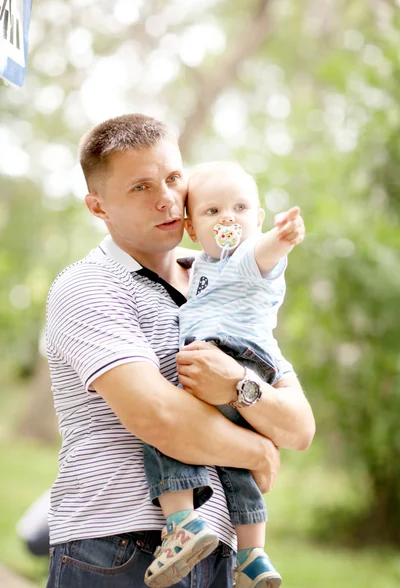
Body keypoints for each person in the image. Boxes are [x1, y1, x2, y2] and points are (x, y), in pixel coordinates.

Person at [45, 113, 315, 588]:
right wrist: (257, 450)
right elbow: (158, 417)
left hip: (217, 552)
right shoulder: (88, 285)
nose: (167, 198)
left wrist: (236, 385)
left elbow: (298, 426)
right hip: (117, 545)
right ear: (98, 206)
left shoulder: (225, 289)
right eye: (141, 188)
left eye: (172, 178)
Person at [143, 162, 304, 588]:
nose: (228, 217)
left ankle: (181, 521)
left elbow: (263, 253)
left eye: (240, 207)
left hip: (229, 355)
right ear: (193, 229)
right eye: (212, 211)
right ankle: (252, 554)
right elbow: (201, 267)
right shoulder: (203, 264)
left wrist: (282, 237)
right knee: (235, 461)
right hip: (253, 367)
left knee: (168, 423)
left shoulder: (247, 258)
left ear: (258, 218)